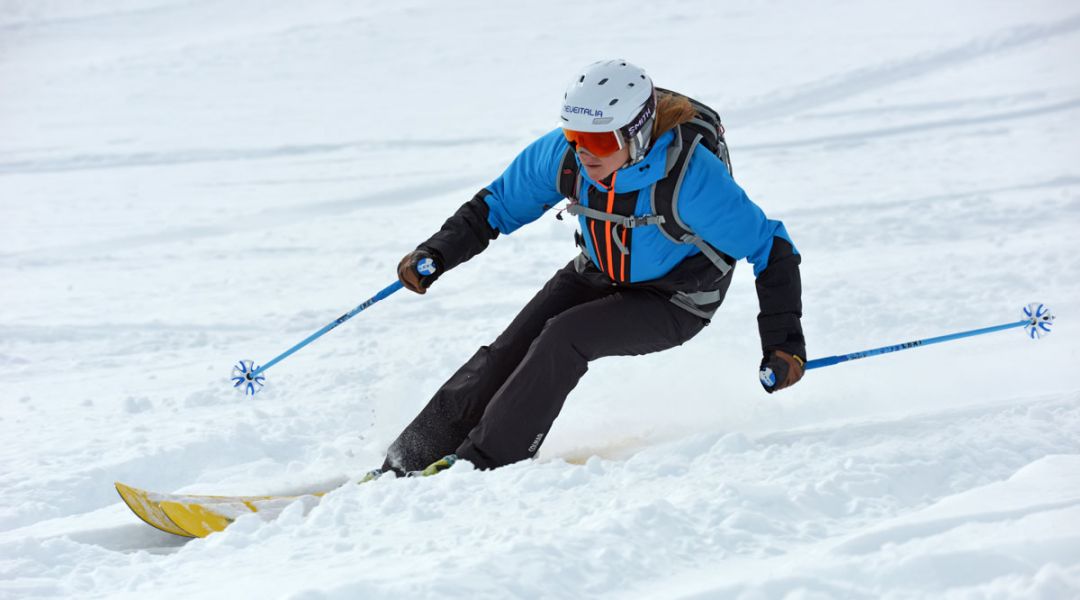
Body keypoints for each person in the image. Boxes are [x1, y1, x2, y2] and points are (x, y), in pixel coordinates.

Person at [371, 59, 805, 479]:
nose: (584, 153)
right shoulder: (565, 156)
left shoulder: (691, 178)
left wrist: (783, 344)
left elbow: (772, 247)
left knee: (565, 338)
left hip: (676, 299)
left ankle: (483, 462)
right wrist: (438, 253)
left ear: (635, 135)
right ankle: (410, 456)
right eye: (575, 136)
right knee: (512, 347)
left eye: (599, 141)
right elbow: (498, 205)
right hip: (600, 268)